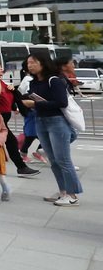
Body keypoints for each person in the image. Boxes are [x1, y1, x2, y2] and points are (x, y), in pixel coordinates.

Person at [19, 53, 81, 207]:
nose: (30, 65)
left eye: (33, 62)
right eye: (28, 63)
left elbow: (61, 103)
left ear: (43, 63)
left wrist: (35, 104)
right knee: (53, 161)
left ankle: (72, 195)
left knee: (63, 160)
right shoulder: (33, 83)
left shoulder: (54, 80)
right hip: (40, 121)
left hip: (57, 122)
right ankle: (63, 192)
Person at [0, 59, 37, 177]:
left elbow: (7, 96)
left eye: (1, 66)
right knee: (10, 141)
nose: (1, 69)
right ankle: (21, 167)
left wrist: (13, 100)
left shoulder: (0, 82)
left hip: (3, 117)